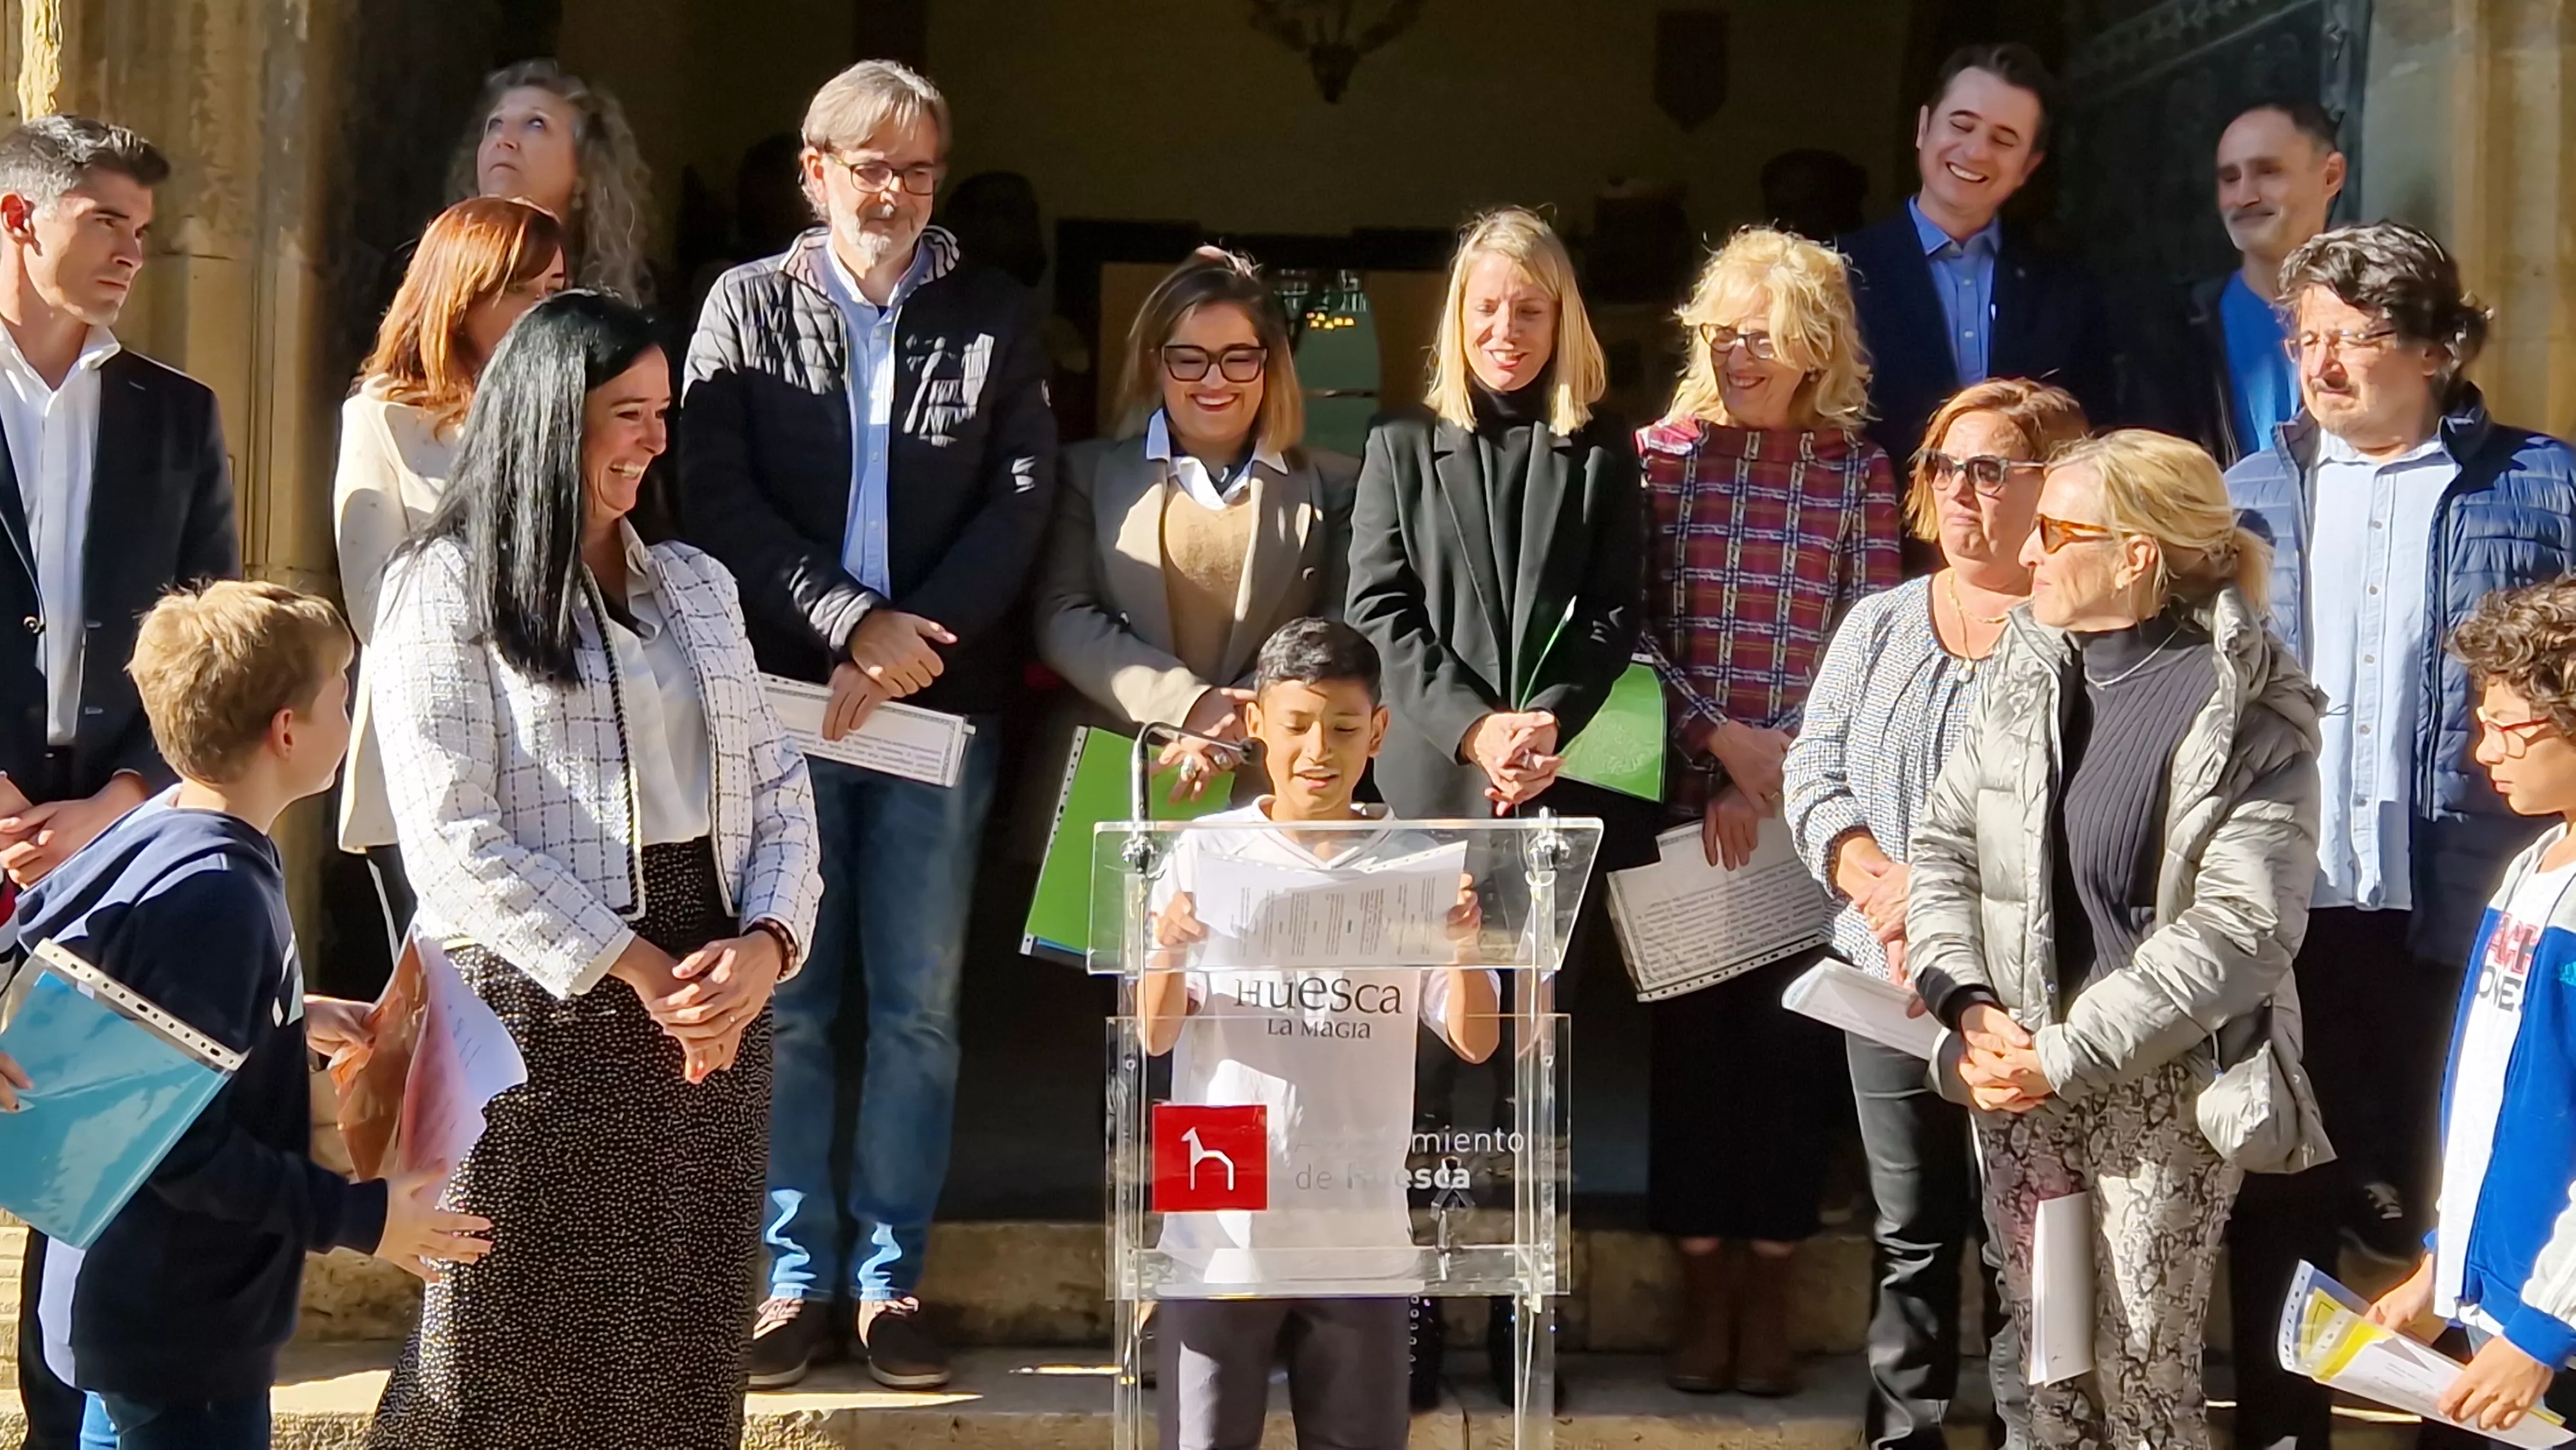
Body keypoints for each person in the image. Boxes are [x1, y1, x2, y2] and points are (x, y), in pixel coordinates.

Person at [362, 290, 823, 1448]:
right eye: (628, 412)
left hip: (710, 1008)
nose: (655, 440)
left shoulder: (699, 586)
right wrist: (637, 967)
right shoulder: (443, 586)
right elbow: (452, 834)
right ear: (548, 418)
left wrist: (764, 948)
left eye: (662, 412)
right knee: (503, 1348)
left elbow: (780, 792)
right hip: (536, 1009)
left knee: (680, 1339)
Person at [679, 59, 1055, 1391]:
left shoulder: (997, 316)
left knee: (916, 1007)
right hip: (780, 706)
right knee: (787, 1001)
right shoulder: (742, 306)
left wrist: (905, 647)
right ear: (814, 171)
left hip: (930, 714)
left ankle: (889, 1278)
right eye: (867, 164)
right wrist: (847, 619)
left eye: (916, 168)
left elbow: (1019, 508)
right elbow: (711, 490)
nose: (891, 190)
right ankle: (791, 1274)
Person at [2224, 221, 2576, 1447]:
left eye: (2353, 340)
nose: (2322, 365)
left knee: (2475, 1185)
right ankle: (2281, 1425)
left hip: (2475, 909)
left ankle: (2477, 1427)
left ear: (2435, 349)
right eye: (2306, 338)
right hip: (2293, 908)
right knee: (2283, 1187)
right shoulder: (2248, 495)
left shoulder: (2543, 485)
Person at [1910, 429, 2326, 1450]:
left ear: (2137, 553)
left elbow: (2242, 929)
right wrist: (1966, 1009)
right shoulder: (2025, 674)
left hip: (2163, 1086)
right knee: (2047, 1383)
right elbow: (1943, 850)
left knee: (2143, 1388)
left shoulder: (2250, 710)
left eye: (2055, 529)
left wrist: (2064, 1053)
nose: (2029, 551)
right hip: (2014, 1073)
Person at [15, 580, 488, 1450]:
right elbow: (179, 1150)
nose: (353, 718)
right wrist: (367, 1218)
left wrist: (284, 1018)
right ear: (286, 730)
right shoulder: (219, 897)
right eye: (342, 699)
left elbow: (149, 1026)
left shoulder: (169, 828)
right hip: (175, 1343)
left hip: (146, 1318)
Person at [1783, 377, 2088, 1447]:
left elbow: (2089, 809)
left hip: (2022, 988)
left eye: (1991, 467)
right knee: (1909, 1228)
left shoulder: (2081, 634)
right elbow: (1814, 771)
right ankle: (1902, 1428)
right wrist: (1876, 878)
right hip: (1887, 975)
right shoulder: (1878, 624)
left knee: (2023, 1230)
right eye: (1946, 467)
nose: (1963, 491)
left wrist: (1949, 897)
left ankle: (2029, 1428)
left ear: (2052, 485)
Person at [0, 113, 237, 1450]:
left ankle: (54, 1427)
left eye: (143, 235)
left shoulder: (175, 413)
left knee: (81, 1170)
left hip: (110, 849)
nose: (130, 255)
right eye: (104, 224)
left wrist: (125, 799)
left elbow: (211, 643)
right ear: (17, 221)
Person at [1635, 225, 1899, 1398]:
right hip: (1687, 799)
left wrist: (1787, 772)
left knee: (1791, 1054)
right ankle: (1703, 1291)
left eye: (1766, 337)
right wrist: (1716, 752)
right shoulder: (1662, 458)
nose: (1740, 356)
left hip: (1808, 804)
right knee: (1691, 1058)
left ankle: (1772, 1292)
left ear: (1817, 345)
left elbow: (1874, 633)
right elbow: (1629, 628)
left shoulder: (1859, 471)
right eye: (1723, 334)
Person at [1140, 616, 1491, 1450]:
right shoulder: (1203, 849)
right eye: (1295, 726)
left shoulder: (1414, 860)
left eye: (1342, 728)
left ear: (1378, 731)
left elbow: (1475, 1041)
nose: (1317, 751)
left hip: (1358, 1218)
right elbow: (1154, 1037)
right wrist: (1168, 948)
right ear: (1257, 723)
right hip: (1220, 1215)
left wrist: (1469, 951)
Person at [1345, 205, 1640, 821]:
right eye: (1486, 308)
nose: (1505, 329)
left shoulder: (1603, 447)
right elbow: (1378, 608)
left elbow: (1612, 610)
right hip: (1431, 779)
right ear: (1459, 316)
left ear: (1562, 322)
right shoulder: (1400, 442)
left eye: (1530, 310)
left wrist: (1549, 721)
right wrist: (1474, 728)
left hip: (1559, 777)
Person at [2366, 579, 2576, 1442]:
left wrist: (2543, 1331)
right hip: (2494, 1313)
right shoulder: (2532, 866)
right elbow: (2487, 1099)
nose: (2481, 752)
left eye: (2507, 728)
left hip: (2547, 1339)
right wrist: (2439, 1266)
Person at [332, 195, 565, 963]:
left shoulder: (573, 414)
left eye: (556, 290)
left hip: (559, 765)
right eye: (522, 289)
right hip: (428, 757)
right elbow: (378, 601)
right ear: (462, 296)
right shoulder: (384, 416)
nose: (544, 310)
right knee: (437, 1026)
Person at [1036, 247, 1356, 803]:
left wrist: (1244, 714)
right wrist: (1186, 705)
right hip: (1123, 766)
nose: (1215, 379)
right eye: (1190, 358)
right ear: (1156, 363)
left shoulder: (1338, 485)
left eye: (1238, 357)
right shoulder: (1085, 474)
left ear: (1269, 364)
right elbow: (1064, 617)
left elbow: (1341, 624)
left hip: (1272, 778)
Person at [1841, 43, 2117, 478]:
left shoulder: (2065, 289)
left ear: (2029, 166)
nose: (1976, 152)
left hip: (2027, 540)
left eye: (2004, 140)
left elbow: (2091, 437)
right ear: (1923, 128)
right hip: (1877, 537)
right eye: (1961, 125)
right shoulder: (1838, 273)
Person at [2155, 99, 2347, 466]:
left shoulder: (2378, 328)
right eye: (2230, 179)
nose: (2245, 197)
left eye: (2269, 172)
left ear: (2331, 176)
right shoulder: (2175, 334)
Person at [446, 59, 652, 301]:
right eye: (495, 124)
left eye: (535, 124)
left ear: (585, 169)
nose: (503, 139)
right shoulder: (428, 274)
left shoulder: (603, 320)